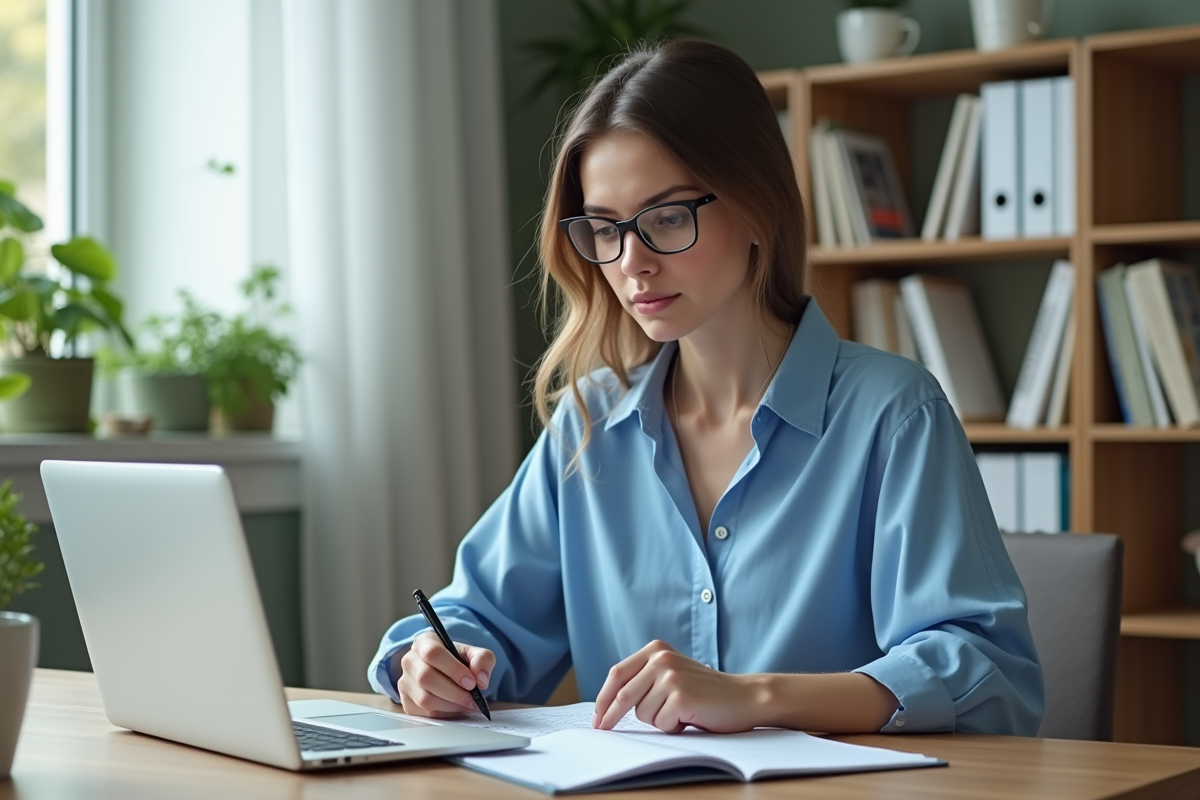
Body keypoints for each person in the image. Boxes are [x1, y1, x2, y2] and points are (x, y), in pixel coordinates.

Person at [367, 39, 1043, 736]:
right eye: (604, 228)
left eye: (665, 218)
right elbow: (476, 617)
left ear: (756, 207)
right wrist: (429, 662)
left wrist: (756, 697)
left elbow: (983, 669)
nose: (633, 264)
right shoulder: (589, 424)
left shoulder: (894, 415)